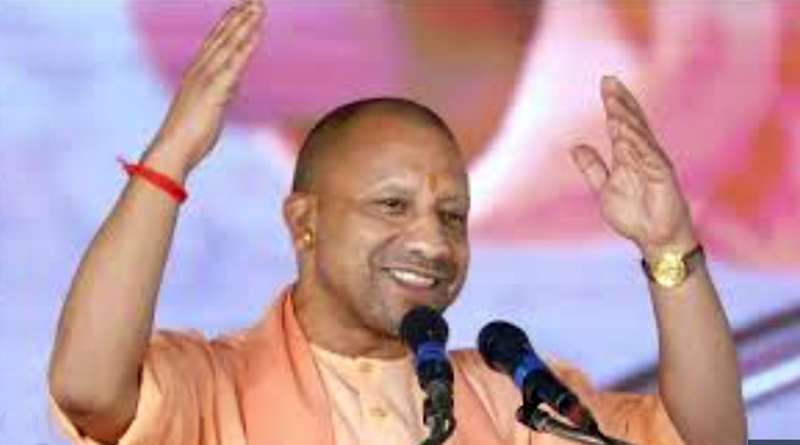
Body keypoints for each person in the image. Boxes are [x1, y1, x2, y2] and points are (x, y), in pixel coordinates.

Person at [47, 1, 747, 444]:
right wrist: (170, 157)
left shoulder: (509, 396)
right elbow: (89, 390)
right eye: (392, 205)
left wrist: (670, 248)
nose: (432, 241)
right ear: (303, 222)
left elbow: (700, 438)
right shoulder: (213, 388)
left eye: (453, 216)